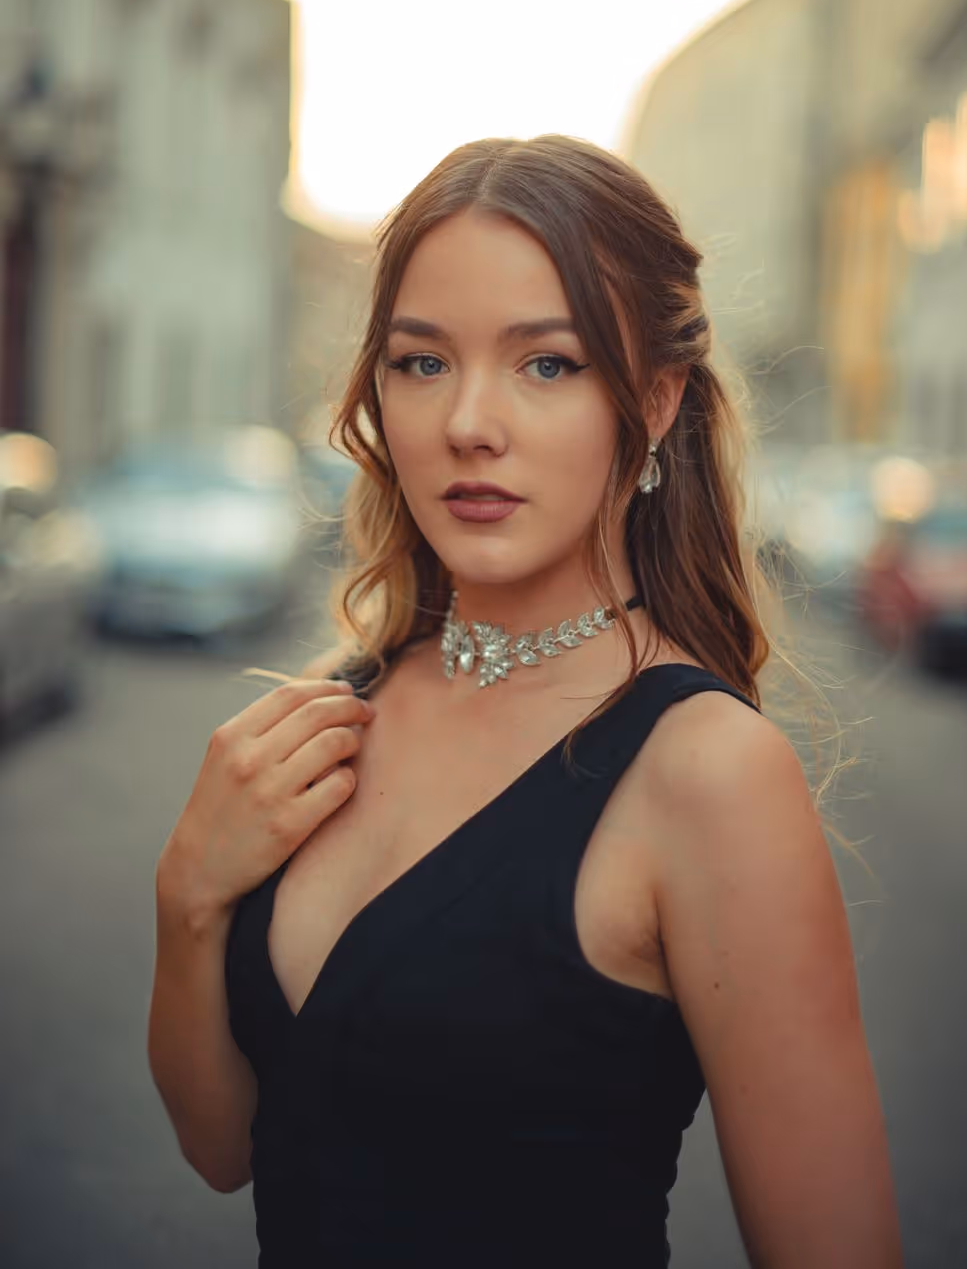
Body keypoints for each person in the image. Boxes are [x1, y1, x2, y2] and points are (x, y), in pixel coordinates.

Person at [148, 135, 904, 1268]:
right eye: (421, 362)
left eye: (545, 364)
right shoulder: (328, 710)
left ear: (650, 403)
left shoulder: (704, 768)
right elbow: (222, 1144)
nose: (467, 422)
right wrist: (188, 897)